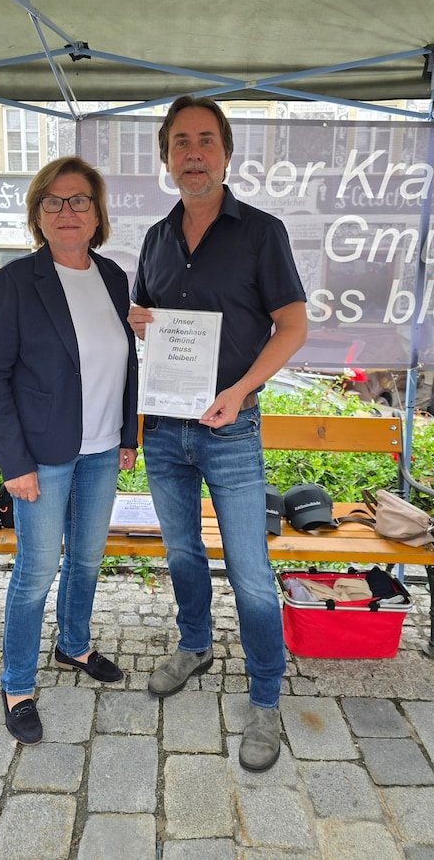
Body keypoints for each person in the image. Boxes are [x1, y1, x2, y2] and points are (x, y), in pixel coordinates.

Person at [128, 96, 307, 772]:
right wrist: (140, 322)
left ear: (226, 153)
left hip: (233, 430)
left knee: (254, 577)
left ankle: (265, 699)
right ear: (167, 158)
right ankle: (195, 643)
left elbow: (292, 325)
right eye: (180, 142)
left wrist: (239, 391)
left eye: (205, 140)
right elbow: (149, 319)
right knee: (182, 556)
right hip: (167, 432)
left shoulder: (262, 232)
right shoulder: (154, 239)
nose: (193, 153)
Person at [0, 156, 138, 745]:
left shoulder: (114, 277)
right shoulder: (17, 282)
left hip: (100, 452)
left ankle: (73, 646)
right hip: (42, 456)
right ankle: (17, 683)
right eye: (54, 202)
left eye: (79, 201)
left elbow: (124, 363)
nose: (67, 212)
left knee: (89, 560)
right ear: (37, 214)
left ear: (97, 212)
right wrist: (14, 464)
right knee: (36, 571)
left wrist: (127, 435)